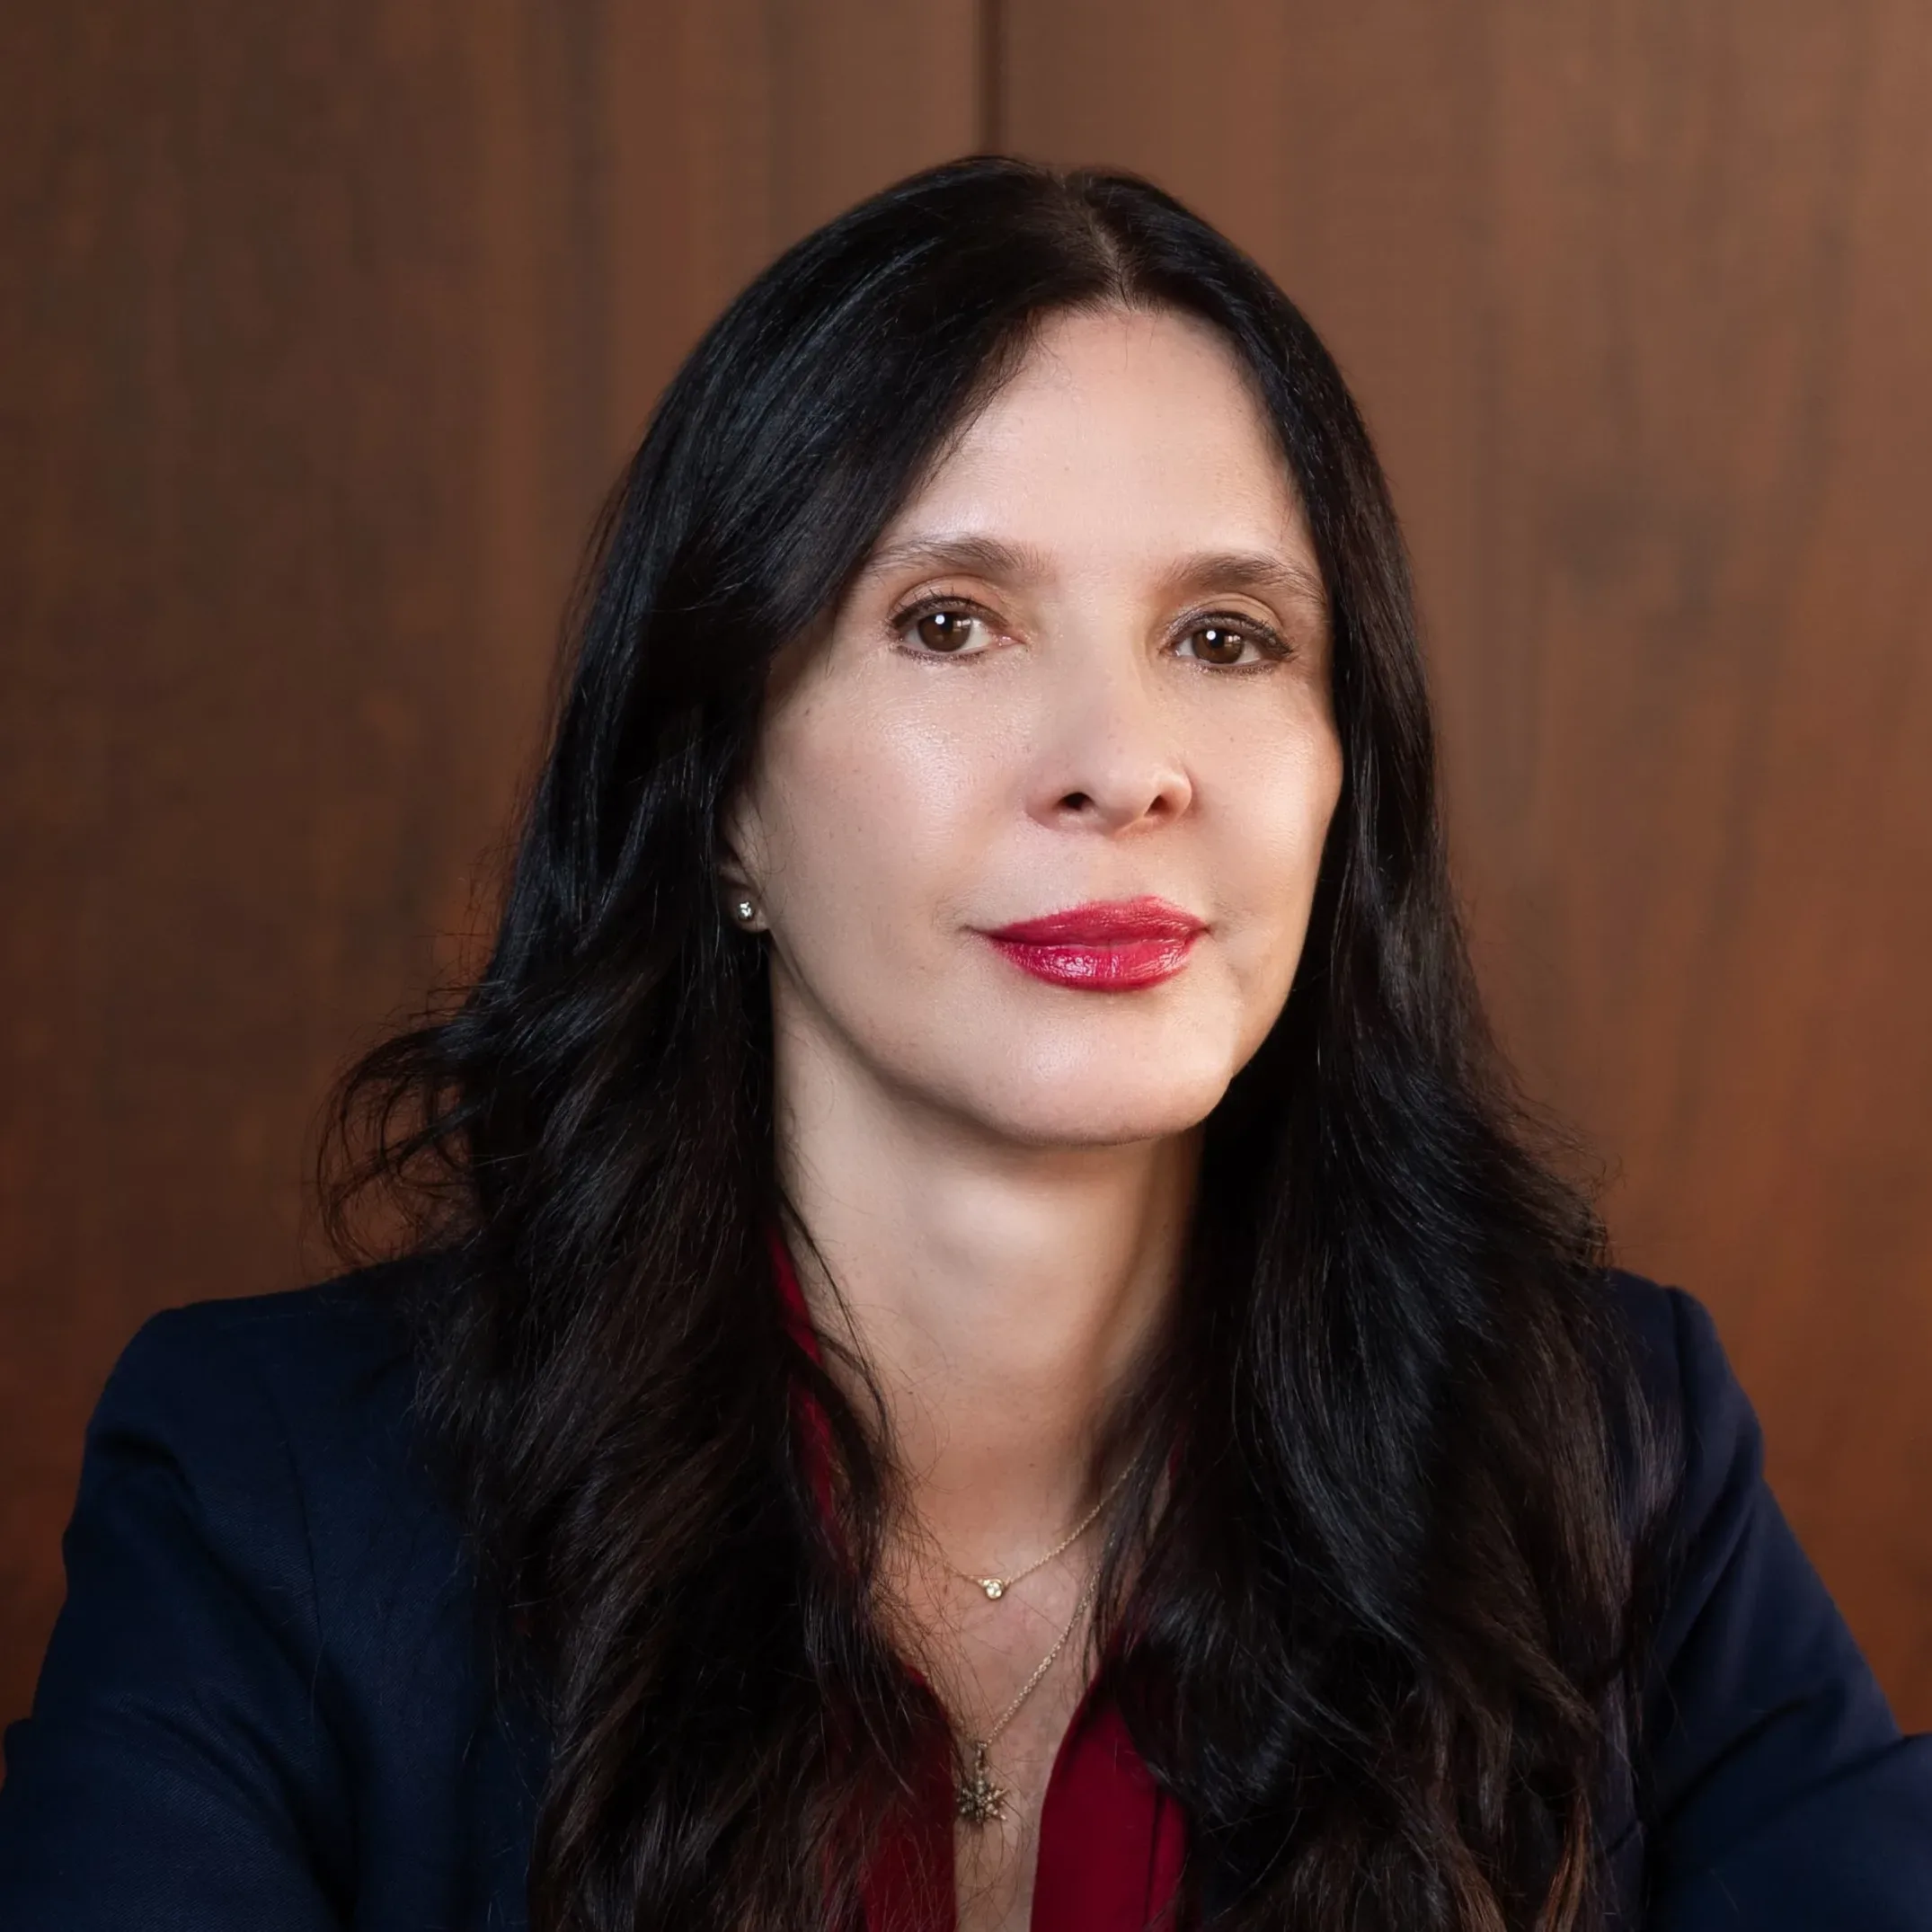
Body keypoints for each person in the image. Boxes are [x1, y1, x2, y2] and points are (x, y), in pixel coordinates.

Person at [1, 156, 1928, 1932]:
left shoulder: (1612, 1452)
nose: (1121, 764)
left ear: (1349, 772)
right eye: (948, 621)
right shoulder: (267, 1490)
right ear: (719, 789)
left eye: (1226, 638)